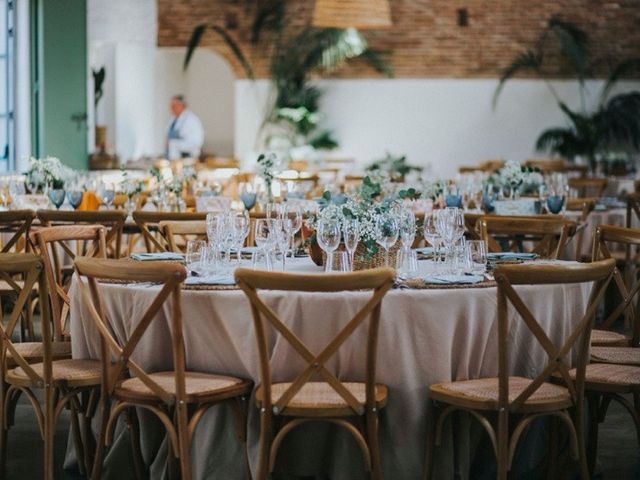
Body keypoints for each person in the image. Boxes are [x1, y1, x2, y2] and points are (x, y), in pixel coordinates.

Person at [165, 95, 204, 160]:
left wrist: (174, 144)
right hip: (173, 158)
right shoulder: (173, 120)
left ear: (182, 105)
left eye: (174, 106)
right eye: (171, 106)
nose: (172, 108)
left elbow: (196, 142)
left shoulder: (191, 120)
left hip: (187, 158)